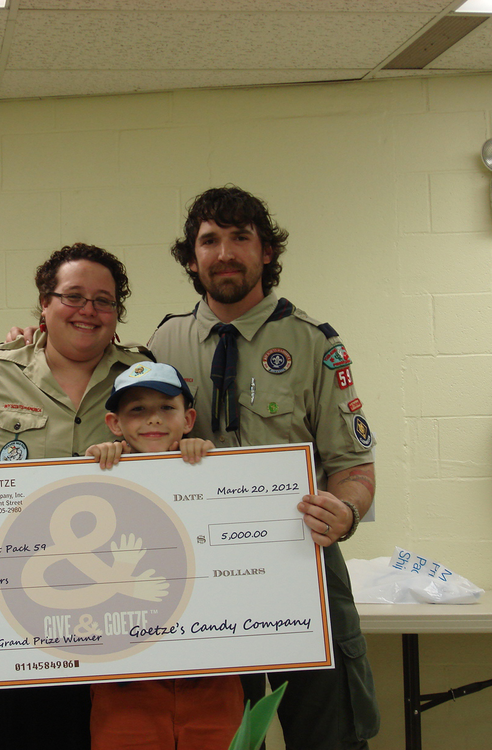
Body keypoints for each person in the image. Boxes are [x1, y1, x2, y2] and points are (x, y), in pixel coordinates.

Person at [148, 186, 380, 750]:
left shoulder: (314, 342)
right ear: (192, 256)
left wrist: (345, 512)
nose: (224, 252)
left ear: (266, 252)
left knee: (330, 735)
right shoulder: (161, 343)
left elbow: (354, 465)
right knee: (221, 737)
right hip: (202, 578)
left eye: (239, 238)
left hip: (305, 564)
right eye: (209, 240)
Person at [0, 242, 152, 750]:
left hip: (119, 614)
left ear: (117, 314)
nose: (88, 310)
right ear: (44, 303)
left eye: (104, 301)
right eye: (74, 296)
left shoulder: (143, 376)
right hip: (18, 617)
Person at [84, 360, 245, 750]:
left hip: (212, 671)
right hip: (125, 678)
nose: (152, 420)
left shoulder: (213, 469)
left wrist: (208, 469)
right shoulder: (93, 476)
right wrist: (93, 468)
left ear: (188, 419)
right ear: (114, 424)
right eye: (136, 409)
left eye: (166, 408)